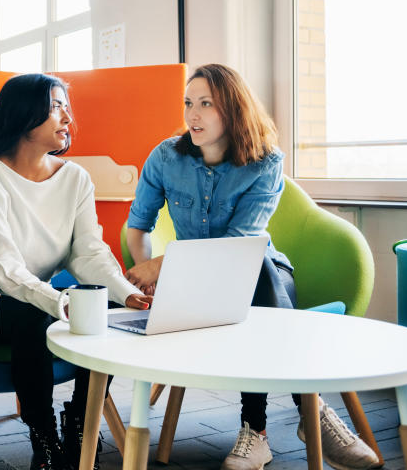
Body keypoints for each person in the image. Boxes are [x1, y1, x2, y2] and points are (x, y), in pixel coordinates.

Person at [124, 64, 378, 470]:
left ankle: (255, 431)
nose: (193, 115)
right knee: (255, 278)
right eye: (189, 103)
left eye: (206, 104)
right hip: (196, 283)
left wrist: (163, 263)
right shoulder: (166, 158)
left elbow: (240, 245)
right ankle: (313, 412)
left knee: (256, 267)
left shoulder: (265, 161)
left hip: (263, 276)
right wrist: (148, 271)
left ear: (233, 109)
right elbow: (137, 227)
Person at [0, 73, 152, 470]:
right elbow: (3, 268)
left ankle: (80, 418)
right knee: (33, 316)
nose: (67, 118)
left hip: (37, 292)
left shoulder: (74, 178)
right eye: (55, 106)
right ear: (24, 115)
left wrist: (123, 291)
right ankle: (44, 439)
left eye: (65, 107)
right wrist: (58, 301)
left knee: (108, 310)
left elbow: (89, 251)